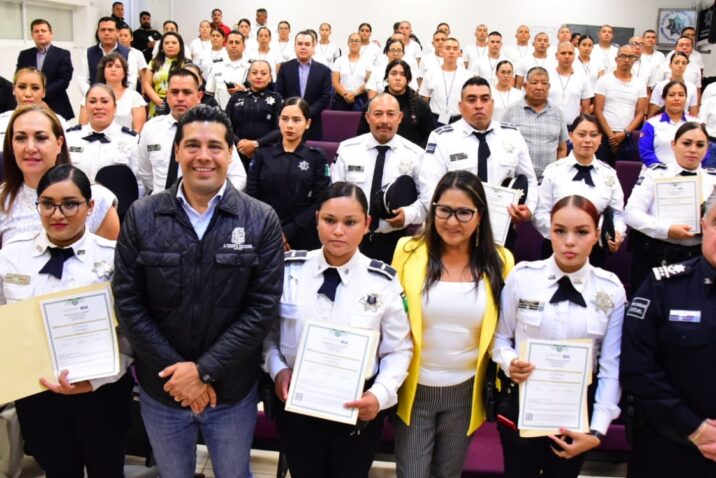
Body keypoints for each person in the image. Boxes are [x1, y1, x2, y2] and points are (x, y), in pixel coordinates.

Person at [114, 104, 283, 478]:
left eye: (214, 146)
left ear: (230, 153)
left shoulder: (261, 219)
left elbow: (262, 308)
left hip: (231, 391)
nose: (203, 156)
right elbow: (128, 301)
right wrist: (180, 376)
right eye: (192, 145)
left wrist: (203, 372)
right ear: (177, 151)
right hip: (164, 388)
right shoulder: (141, 216)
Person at [263, 181, 412, 478]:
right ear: (317, 219)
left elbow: (398, 350)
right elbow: (268, 336)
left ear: (366, 224)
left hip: (357, 409)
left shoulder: (382, 281)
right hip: (297, 405)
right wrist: (278, 370)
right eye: (330, 220)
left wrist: (379, 395)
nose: (338, 231)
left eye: (350, 222)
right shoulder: (290, 271)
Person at [2, 164, 132, 477]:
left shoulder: (115, 257)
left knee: (106, 470)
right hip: (37, 392)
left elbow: (131, 332)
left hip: (100, 391)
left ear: (90, 206)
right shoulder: (12, 257)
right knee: (57, 470)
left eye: (70, 204)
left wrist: (97, 380)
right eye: (48, 204)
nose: (57, 214)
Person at [493, 194, 625, 478]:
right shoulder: (523, 277)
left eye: (582, 232)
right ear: (549, 232)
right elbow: (500, 338)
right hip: (523, 400)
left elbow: (610, 365)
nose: (569, 241)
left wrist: (597, 430)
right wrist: (510, 362)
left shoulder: (611, 289)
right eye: (560, 231)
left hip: (576, 411)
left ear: (596, 235)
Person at [392, 170, 514, 477]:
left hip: (466, 391)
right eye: (444, 210)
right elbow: (390, 319)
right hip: (414, 387)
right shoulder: (407, 251)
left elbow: (505, 330)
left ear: (480, 215)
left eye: (463, 212)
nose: (452, 221)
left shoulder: (501, 261)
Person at [620, 186, 716, 478]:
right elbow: (637, 369)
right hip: (669, 447)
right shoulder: (663, 287)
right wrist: (695, 429)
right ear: (703, 225)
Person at [416, 76, 538, 228]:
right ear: (460, 106)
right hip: (454, 227)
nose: (479, 105)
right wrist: (449, 217)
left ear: (492, 104)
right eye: (471, 100)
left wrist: (529, 208)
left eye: (485, 99)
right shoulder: (442, 138)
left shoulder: (512, 135)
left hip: (501, 227)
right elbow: (429, 187)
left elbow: (530, 179)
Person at [1, 105, 120, 244]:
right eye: (21, 138)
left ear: (59, 143)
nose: (30, 148)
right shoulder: (3, 200)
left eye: (41, 138)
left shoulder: (98, 200)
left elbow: (108, 256)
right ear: (11, 145)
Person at [332, 94, 423, 263]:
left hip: (395, 242)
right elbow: (334, 193)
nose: (384, 120)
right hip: (351, 238)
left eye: (391, 114)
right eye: (378, 114)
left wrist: (408, 215)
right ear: (367, 117)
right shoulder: (347, 149)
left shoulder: (415, 154)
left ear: (400, 117)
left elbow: (426, 200)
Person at [626, 121, 716, 289]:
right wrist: (666, 229)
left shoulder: (712, 181)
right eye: (687, 143)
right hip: (653, 254)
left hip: (696, 257)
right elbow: (631, 213)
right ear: (673, 145)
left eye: (700, 145)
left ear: (707, 148)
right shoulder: (655, 174)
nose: (693, 150)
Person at [533, 115, 626, 265]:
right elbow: (540, 212)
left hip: (594, 249)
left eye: (593, 135)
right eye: (582, 134)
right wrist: (562, 235)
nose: (587, 140)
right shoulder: (554, 171)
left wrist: (617, 232)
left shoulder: (609, 174)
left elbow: (618, 213)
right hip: (556, 247)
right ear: (571, 136)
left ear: (601, 139)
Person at [136, 69, 246, 194]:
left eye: (187, 92)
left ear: (199, 96)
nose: (180, 98)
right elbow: (145, 174)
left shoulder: (216, 129)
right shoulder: (151, 128)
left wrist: (213, 200)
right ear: (167, 95)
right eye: (174, 92)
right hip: (161, 202)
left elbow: (238, 177)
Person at [246, 97, 329, 251]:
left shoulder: (317, 157)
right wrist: (273, 231)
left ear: (307, 123)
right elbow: (252, 195)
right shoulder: (263, 154)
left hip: (303, 233)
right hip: (264, 230)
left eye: (296, 120)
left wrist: (287, 232)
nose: (289, 125)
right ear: (278, 121)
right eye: (285, 119)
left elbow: (320, 201)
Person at [503, 66, 568, 179]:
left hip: (549, 179)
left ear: (548, 87)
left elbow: (562, 149)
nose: (539, 87)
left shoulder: (558, 113)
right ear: (525, 86)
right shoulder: (511, 111)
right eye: (534, 83)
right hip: (519, 179)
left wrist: (557, 174)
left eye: (544, 83)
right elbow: (502, 145)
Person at [66, 84, 139, 181]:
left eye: (104, 101)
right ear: (86, 107)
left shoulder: (130, 140)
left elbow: (138, 181)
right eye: (92, 101)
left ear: (115, 107)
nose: (98, 107)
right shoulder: (71, 137)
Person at [358, 60, 435, 148]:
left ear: (409, 80)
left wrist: (415, 153)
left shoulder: (421, 106)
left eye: (403, 74)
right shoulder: (372, 105)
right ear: (387, 78)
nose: (398, 78)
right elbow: (362, 136)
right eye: (393, 73)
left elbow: (430, 137)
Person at [593, 45, 648, 166]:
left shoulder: (640, 83)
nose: (627, 60)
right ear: (616, 59)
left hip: (627, 136)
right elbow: (598, 110)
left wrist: (625, 133)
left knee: (626, 173)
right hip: (605, 135)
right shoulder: (604, 80)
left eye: (631, 57)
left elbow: (640, 113)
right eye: (623, 56)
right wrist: (611, 136)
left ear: (634, 60)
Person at [225, 60, 283, 171]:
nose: (258, 76)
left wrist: (256, 144)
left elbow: (279, 129)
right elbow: (225, 126)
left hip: (266, 153)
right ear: (248, 76)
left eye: (263, 73)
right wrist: (239, 142)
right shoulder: (236, 97)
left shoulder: (277, 99)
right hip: (237, 153)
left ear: (270, 78)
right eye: (254, 72)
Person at [275, 30, 332, 141]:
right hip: (289, 123)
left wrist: (306, 113)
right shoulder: (285, 68)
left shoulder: (324, 70)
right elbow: (278, 93)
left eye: (307, 44)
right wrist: (293, 112)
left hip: (312, 123)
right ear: (295, 46)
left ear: (313, 47)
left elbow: (325, 97)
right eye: (300, 44)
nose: (303, 47)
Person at [15, 19, 74, 120]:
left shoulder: (63, 54)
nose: (40, 33)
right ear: (32, 35)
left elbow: (64, 80)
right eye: (36, 31)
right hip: (29, 103)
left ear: (51, 34)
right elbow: (18, 77)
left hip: (56, 104)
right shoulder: (24, 55)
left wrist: (41, 94)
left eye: (43, 31)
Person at [78, 52, 146, 132]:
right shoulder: (91, 96)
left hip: (125, 139)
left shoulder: (134, 97)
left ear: (124, 73)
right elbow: (83, 127)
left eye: (118, 66)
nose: (113, 69)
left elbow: (137, 130)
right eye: (109, 66)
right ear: (103, 71)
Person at [639, 81, 702, 167]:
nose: (676, 98)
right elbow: (645, 152)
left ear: (686, 98)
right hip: (657, 171)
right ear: (664, 98)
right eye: (672, 95)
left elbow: (704, 152)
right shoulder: (651, 124)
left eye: (681, 95)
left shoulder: (697, 124)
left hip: (688, 172)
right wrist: (663, 169)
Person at [0, 68, 69, 142]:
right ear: (13, 89)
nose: (28, 94)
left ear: (43, 92)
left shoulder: (59, 123)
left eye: (35, 88)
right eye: (22, 87)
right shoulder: (2, 121)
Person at [419, 38, 475, 126]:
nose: (451, 52)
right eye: (448, 48)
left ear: (459, 53)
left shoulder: (468, 76)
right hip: (435, 119)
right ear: (441, 52)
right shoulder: (430, 74)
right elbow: (424, 100)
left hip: (460, 119)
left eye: (455, 49)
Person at [78, 17, 132, 97]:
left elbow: (131, 82)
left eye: (110, 30)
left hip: (122, 100)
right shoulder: (88, 52)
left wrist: (119, 99)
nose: (106, 33)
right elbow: (82, 79)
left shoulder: (128, 53)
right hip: (95, 100)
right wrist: (93, 96)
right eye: (103, 30)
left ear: (117, 32)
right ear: (98, 32)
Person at [143, 32, 189, 118]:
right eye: (166, 43)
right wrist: (160, 102)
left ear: (180, 46)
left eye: (174, 43)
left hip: (180, 104)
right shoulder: (153, 63)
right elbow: (147, 84)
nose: (170, 45)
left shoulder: (187, 64)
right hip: (157, 104)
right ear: (162, 46)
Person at [548, 41, 594, 127]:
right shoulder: (547, 76)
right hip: (549, 125)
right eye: (563, 53)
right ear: (556, 56)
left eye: (570, 53)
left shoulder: (583, 78)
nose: (567, 56)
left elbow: (586, 110)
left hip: (573, 127)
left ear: (574, 56)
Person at [205, 31, 250, 110]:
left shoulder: (251, 67)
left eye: (237, 42)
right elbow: (209, 93)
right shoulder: (216, 66)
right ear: (225, 45)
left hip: (245, 111)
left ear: (244, 46)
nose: (234, 46)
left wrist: (244, 91)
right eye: (230, 42)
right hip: (220, 112)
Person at [648, 52, 699, 117]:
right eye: (676, 62)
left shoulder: (692, 87)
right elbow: (652, 113)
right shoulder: (660, 86)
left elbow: (693, 114)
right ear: (670, 65)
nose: (680, 66)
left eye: (684, 63)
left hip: (684, 122)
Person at [332, 33, 371, 111]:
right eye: (351, 41)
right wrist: (345, 94)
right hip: (341, 97)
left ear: (361, 44)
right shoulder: (340, 60)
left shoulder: (367, 61)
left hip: (360, 98)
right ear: (348, 43)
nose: (354, 43)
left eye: (357, 41)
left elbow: (368, 82)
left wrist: (354, 93)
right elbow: (335, 82)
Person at [117, 25, 149, 94]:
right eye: (120, 35)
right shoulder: (113, 53)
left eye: (125, 36)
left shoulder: (138, 53)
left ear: (131, 38)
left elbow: (143, 74)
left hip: (134, 88)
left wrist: (143, 92)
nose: (122, 38)